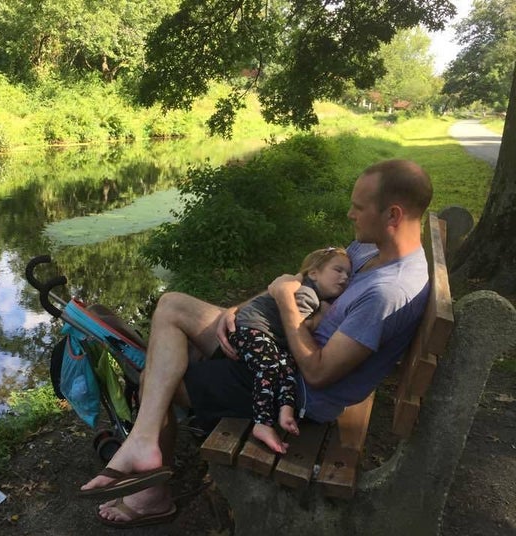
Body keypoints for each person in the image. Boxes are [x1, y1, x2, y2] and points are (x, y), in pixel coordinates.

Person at [79, 159, 433, 529]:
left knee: (158, 376)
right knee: (171, 306)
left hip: (294, 391)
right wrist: (243, 308)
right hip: (281, 345)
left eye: (358, 208)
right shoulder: (369, 252)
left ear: (392, 214)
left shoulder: (388, 291)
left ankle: (149, 488)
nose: (349, 214)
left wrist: (281, 302)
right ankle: (144, 444)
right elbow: (304, 280)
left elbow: (318, 374)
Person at [229, 247, 351, 454]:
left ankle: (286, 413)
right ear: (314, 273)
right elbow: (296, 327)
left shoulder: (314, 294)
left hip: (269, 336)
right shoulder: (308, 294)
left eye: (348, 274)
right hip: (251, 328)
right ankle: (262, 423)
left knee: (288, 366)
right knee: (269, 365)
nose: (344, 277)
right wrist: (321, 318)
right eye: (338, 270)